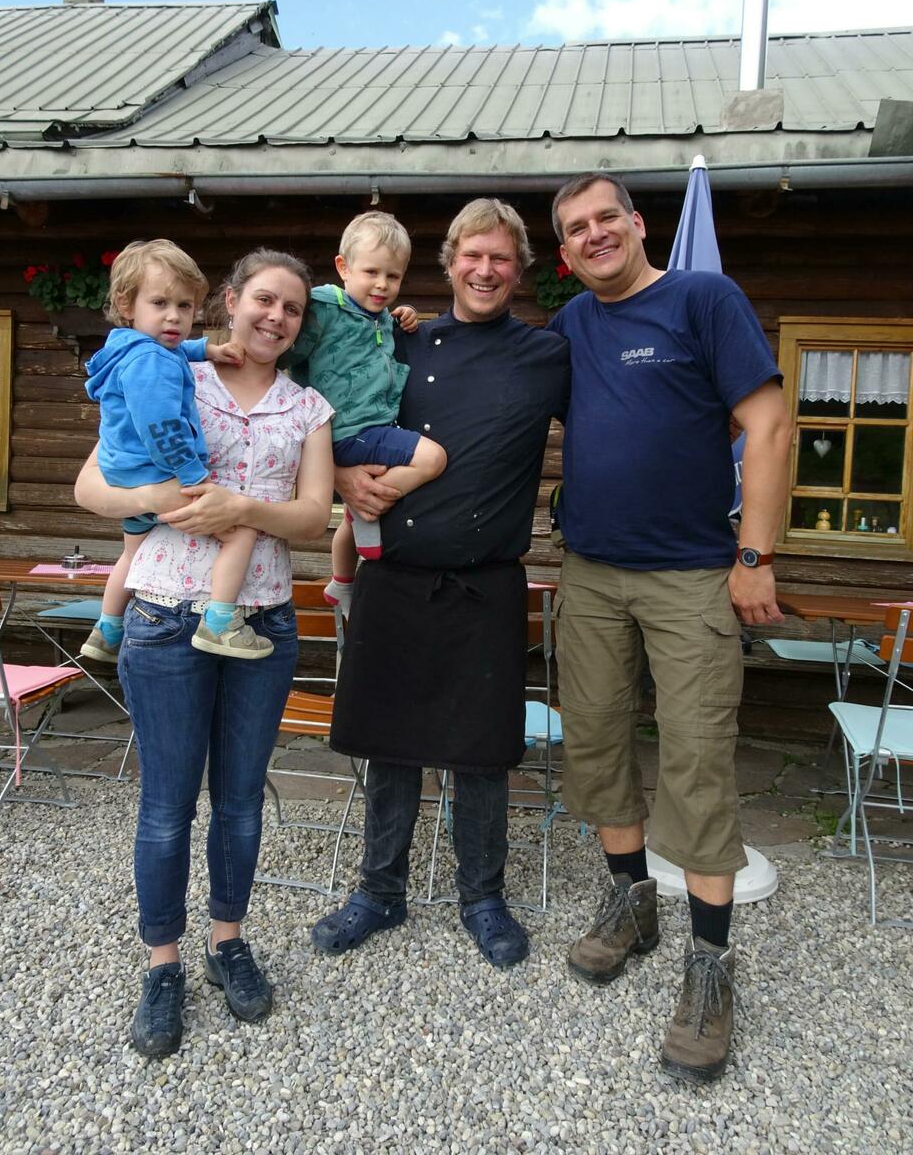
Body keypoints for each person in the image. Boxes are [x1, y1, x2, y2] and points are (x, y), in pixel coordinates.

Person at [547, 173, 792, 1083]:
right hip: (591, 573)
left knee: (696, 757)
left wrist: (755, 554)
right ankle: (631, 903)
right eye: (577, 228)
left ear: (638, 223)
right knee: (596, 741)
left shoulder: (702, 299)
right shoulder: (571, 325)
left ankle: (711, 963)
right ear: (565, 252)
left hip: (693, 577)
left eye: (606, 216)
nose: (595, 234)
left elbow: (767, 424)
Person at [74, 249, 333, 1058]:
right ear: (231, 301)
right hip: (162, 616)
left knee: (242, 801)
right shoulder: (168, 369)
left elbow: (314, 517)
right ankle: (162, 964)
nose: (276, 317)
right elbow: (90, 488)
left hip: (263, 621)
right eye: (264, 300)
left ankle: (228, 941)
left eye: (292, 308)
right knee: (166, 805)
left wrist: (243, 506)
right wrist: (152, 498)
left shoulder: (307, 408)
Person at [310, 198, 571, 967]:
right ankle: (378, 891)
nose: (485, 270)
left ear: (518, 270)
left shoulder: (547, 355)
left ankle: (482, 897)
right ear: (450, 263)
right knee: (388, 748)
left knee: (481, 754)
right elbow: (314, 410)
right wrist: (340, 479)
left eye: (501, 258)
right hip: (393, 578)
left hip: (487, 586)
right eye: (472, 255)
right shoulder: (399, 342)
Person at [79, 238, 270, 664]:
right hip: (158, 471)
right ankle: (220, 623)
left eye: (185, 306)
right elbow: (161, 429)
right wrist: (194, 477)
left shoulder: (132, 347)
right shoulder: (153, 362)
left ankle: (107, 629)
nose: (174, 316)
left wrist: (207, 349)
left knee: (132, 551)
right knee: (240, 532)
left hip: (125, 472)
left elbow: (175, 348)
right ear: (126, 305)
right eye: (160, 303)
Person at [286, 211, 445, 616]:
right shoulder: (323, 308)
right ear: (343, 267)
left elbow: (379, 336)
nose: (382, 284)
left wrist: (401, 316)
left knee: (345, 526)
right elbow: (289, 355)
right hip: (349, 429)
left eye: (393, 276)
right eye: (371, 272)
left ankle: (341, 582)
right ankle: (365, 505)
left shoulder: (380, 317)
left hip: (367, 429)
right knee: (433, 459)